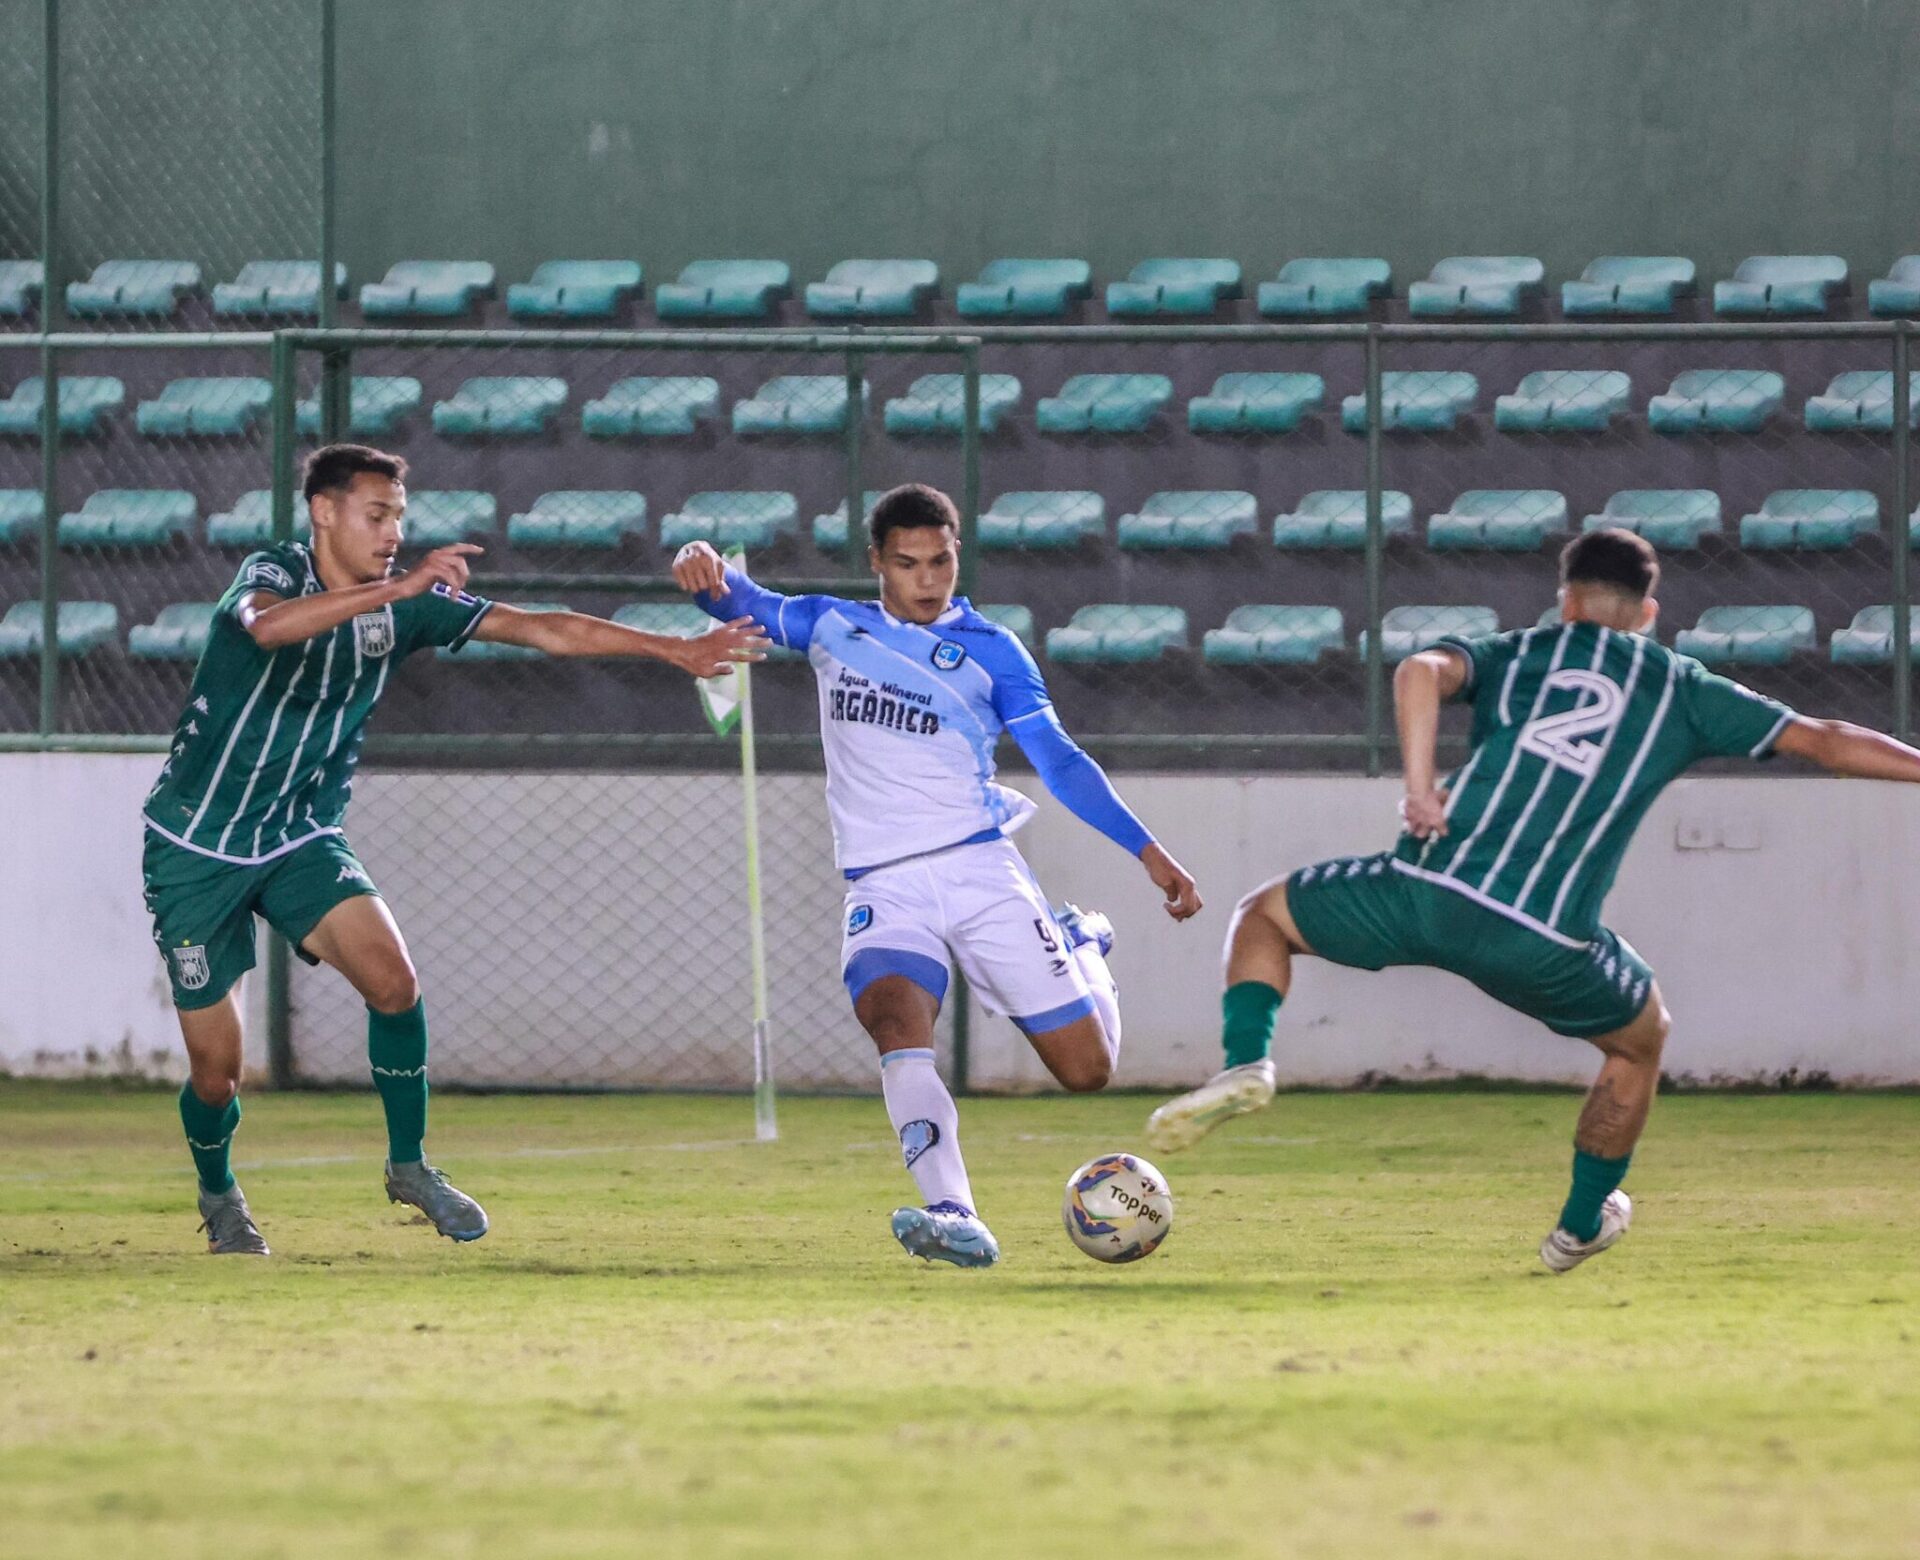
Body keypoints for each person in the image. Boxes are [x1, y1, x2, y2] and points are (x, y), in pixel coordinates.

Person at [1145, 527, 1920, 1272]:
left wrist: (1419, 792)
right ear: (1648, 615)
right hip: (1542, 934)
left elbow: (1417, 669)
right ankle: (1579, 1228)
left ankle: (1246, 1065)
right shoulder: (1681, 688)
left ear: (1567, 602)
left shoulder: (1523, 653)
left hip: (1425, 887)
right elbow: (1824, 736)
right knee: (1640, 1041)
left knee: (1263, 916)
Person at [143, 443, 767, 1255]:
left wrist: (674, 651)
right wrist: (396, 587)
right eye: (378, 514)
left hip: (298, 833)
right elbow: (264, 629)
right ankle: (220, 1191)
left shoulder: (406, 604)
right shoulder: (276, 573)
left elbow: (543, 629)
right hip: (195, 844)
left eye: (400, 516)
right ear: (324, 512)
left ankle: (410, 1166)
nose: (393, 531)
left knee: (395, 984)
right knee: (217, 1072)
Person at [673, 483, 1202, 1267]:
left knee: (1087, 1073)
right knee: (894, 1022)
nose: (928, 578)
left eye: (942, 560)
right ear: (878, 565)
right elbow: (735, 601)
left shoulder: (993, 651)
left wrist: (1150, 853)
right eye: (908, 563)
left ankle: (1080, 941)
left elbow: (1058, 761)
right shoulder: (832, 624)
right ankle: (955, 1214)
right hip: (882, 883)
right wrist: (700, 565)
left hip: (978, 871)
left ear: (958, 555)